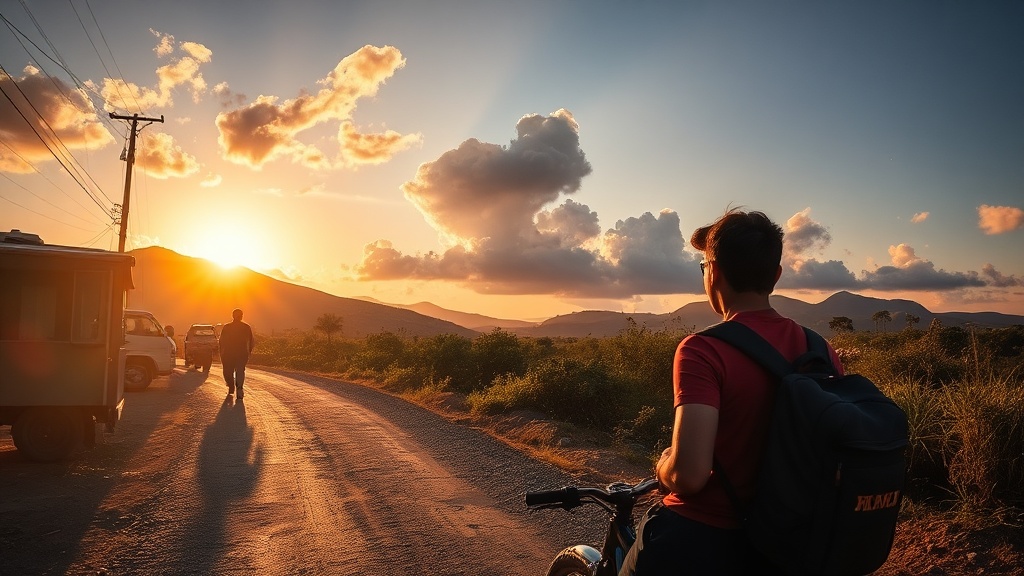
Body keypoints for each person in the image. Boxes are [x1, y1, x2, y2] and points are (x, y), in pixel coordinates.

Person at [619, 209, 844, 575]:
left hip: (701, 536)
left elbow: (690, 476)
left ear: (713, 272)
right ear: (776, 275)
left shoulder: (702, 350)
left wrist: (663, 466)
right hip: (788, 545)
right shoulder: (820, 350)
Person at [219, 308, 254, 399]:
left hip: (231, 353)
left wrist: (221, 353)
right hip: (238, 353)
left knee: (230, 371)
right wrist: (248, 352)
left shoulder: (229, 327)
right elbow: (251, 342)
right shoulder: (244, 327)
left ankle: (234, 387)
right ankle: (237, 388)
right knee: (238, 371)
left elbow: (221, 342)